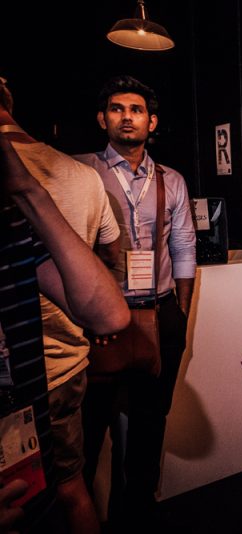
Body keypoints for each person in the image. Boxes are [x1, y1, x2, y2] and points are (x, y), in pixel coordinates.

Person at [74, 75, 196, 528]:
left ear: (152, 122)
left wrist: (180, 311)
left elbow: (183, 246)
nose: (127, 116)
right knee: (89, 426)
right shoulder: (81, 171)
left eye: (137, 109)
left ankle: (137, 516)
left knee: (150, 422)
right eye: (117, 108)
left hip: (158, 311)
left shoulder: (172, 180)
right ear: (102, 118)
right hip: (98, 319)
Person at [0, 77, 120, 534]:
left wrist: (28, 191)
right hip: (62, 366)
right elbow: (111, 257)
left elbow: (108, 311)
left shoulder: (21, 205)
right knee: (68, 491)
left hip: (43, 374)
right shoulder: (85, 174)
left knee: (54, 497)